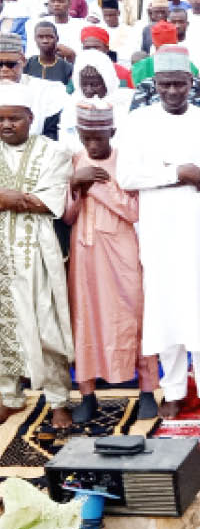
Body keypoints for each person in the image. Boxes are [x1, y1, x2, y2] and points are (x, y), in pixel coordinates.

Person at [117, 46, 200, 418]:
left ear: (191, 83)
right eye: (165, 85)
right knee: (167, 307)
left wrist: (191, 175)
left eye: (179, 85)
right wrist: (176, 173)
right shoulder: (138, 122)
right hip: (160, 229)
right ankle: (175, 391)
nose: (172, 92)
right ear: (155, 84)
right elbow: (128, 176)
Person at [63, 99, 159, 423]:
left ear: (111, 132)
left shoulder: (126, 160)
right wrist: (76, 184)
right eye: (86, 137)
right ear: (79, 134)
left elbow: (133, 210)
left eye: (99, 136)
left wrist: (95, 185)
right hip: (84, 254)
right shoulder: (74, 161)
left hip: (122, 250)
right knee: (86, 318)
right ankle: (87, 395)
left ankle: (147, 389)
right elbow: (67, 215)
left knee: (134, 314)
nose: (92, 143)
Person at [0, 81, 74, 427]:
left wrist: (12, 198)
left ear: (31, 118)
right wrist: (17, 197)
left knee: (47, 325)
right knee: (4, 328)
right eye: (0, 119)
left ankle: (59, 399)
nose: (6, 125)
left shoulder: (52, 151)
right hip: (2, 258)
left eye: (14, 118)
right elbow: (32, 198)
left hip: (38, 255)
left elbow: (50, 202)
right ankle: (9, 395)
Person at [0, 33, 65, 141]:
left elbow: (52, 135)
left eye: (11, 64)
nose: (4, 69)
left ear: (23, 61)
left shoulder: (47, 90)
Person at [24, 22, 74, 86]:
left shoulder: (66, 67)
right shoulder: (28, 64)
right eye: (40, 37)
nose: (45, 41)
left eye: (50, 37)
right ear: (35, 39)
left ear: (57, 38)